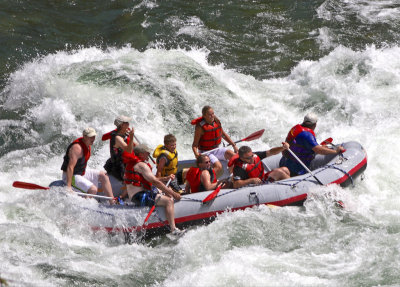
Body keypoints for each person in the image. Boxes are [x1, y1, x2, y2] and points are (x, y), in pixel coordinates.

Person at [123, 144, 183, 235]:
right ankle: (173, 229)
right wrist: (174, 194)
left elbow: (151, 180)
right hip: (140, 197)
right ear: (141, 154)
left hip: (137, 195)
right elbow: (155, 182)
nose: (149, 154)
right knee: (169, 201)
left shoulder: (135, 164)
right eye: (147, 153)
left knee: (164, 191)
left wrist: (165, 178)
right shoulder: (141, 165)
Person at [280, 113, 345, 176]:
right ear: (315, 124)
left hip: (285, 162)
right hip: (297, 168)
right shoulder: (307, 135)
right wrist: (336, 151)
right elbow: (318, 150)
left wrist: (321, 147)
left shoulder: (295, 128)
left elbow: (303, 146)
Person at [61, 127, 115, 204]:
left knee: (103, 175)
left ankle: (112, 202)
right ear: (84, 136)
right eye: (90, 137)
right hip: (71, 175)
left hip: (80, 173)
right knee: (93, 189)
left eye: (94, 137)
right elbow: (70, 167)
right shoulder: (77, 148)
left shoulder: (87, 144)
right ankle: (83, 205)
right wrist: (68, 187)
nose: (93, 139)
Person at [192, 105, 238, 177]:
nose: (212, 116)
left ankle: (232, 176)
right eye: (209, 115)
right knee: (218, 166)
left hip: (216, 149)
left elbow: (223, 135)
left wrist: (233, 145)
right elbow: (194, 145)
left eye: (213, 113)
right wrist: (196, 154)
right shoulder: (200, 127)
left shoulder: (216, 121)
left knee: (234, 156)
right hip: (206, 152)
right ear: (204, 116)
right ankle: (207, 182)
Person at [103, 115, 137, 181]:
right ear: (122, 125)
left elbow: (136, 145)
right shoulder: (117, 138)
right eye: (126, 123)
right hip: (118, 167)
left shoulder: (124, 134)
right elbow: (129, 150)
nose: (128, 124)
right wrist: (131, 137)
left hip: (124, 163)